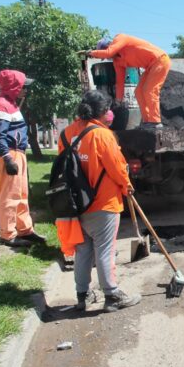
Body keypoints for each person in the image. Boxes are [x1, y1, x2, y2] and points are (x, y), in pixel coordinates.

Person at [58, 90, 141, 313]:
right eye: (108, 110)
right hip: (103, 204)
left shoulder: (66, 135)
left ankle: (82, 296)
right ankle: (112, 295)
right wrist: (127, 186)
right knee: (104, 250)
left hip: (75, 205)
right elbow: (116, 167)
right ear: (103, 112)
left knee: (83, 251)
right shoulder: (103, 135)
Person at [0, 70, 45, 247]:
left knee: (21, 194)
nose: (25, 90)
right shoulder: (1, 105)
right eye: (22, 86)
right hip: (10, 154)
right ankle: (8, 234)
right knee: (9, 195)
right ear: (13, 87)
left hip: (17, 153)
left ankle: (25, 230)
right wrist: (7, 158)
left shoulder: (10, 104)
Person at [87, 34, 170, 129]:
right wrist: (118, 101)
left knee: (149, 90)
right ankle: (147, 121)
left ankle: (155, 121)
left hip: (160, 60)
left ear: (108, 46)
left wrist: (91, 53)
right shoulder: (117, 61)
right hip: (150, 67)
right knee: (138, 92)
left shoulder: (121, 38)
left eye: (105, 53)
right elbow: (120, 82)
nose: (108, 58)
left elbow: (108, 53)